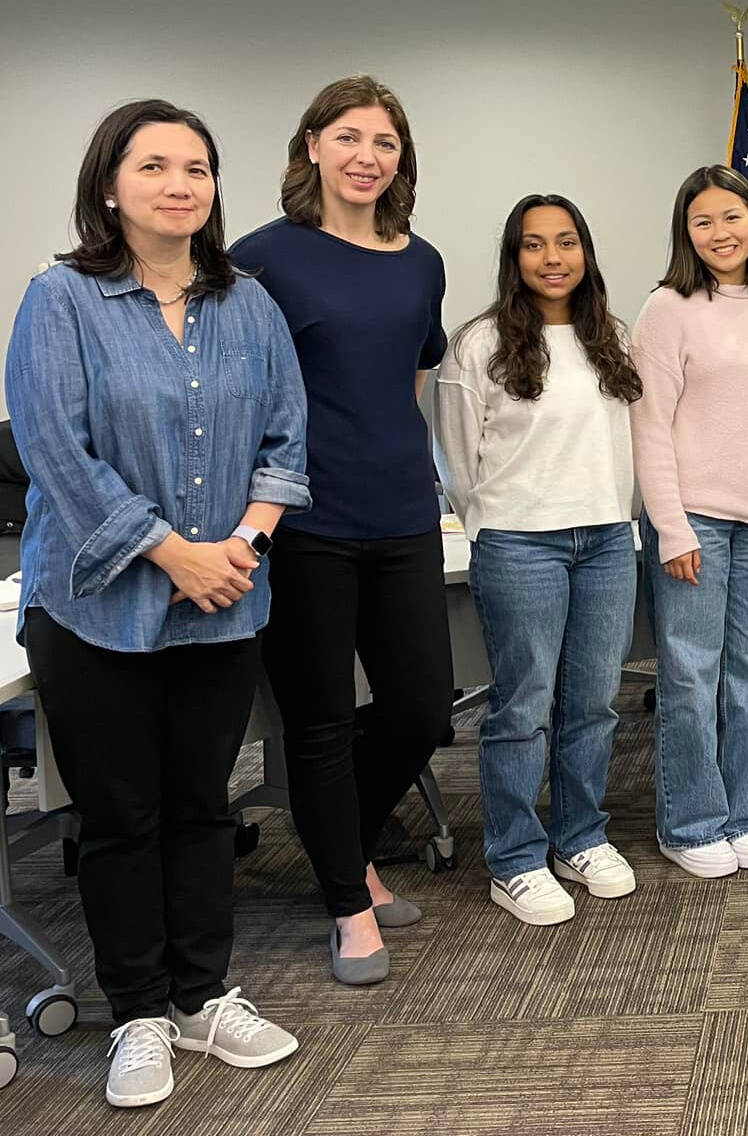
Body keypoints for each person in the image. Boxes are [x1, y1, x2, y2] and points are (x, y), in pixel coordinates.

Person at [7, 99, 307, 1108]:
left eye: (198, 167)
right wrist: (174, 552)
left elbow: (286, 443)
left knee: (201, 807)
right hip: (93, 603)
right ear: (109, 185)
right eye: (155, 165)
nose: (181, 183)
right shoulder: (61, 300)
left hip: (227, 594)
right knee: (121, 813)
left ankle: (201, 994)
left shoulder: (249, 304)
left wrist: (242, 546)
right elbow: (58, 452)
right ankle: (137, 1009)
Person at [230, 75, 452, 985]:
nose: (368, 156)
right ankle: (347, 903)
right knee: (319, 723)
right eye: (349, 137)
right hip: (305, 521)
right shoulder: (260, 258)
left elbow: (410, 376)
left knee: (422, 709)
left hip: (402, 511)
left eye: (386, 142)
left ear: (402, 158)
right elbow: (235, 389)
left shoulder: (419, 260)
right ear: (312, 145)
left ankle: (346, 850)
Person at [434, 195, 641, 925]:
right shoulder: (478, 344)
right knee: (522, 708)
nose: (552, 258)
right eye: (533, 245)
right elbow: (458, 464)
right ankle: (516, 857)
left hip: (609, 542)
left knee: (592, 702)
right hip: (522, 544)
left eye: (566, 242)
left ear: (585, 251)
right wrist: (496, 527)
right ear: (513, 258)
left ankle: (579, 837)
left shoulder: (609, 336)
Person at [631, 165, 748, 878]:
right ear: (685, 231)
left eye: (731, 217)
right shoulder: (667, 309)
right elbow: (648, 428)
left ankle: (741, 808)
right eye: (702, 221)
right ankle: (690, 820)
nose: (719, 233)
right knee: (689, 677)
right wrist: (670, 528)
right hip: (695, 522)